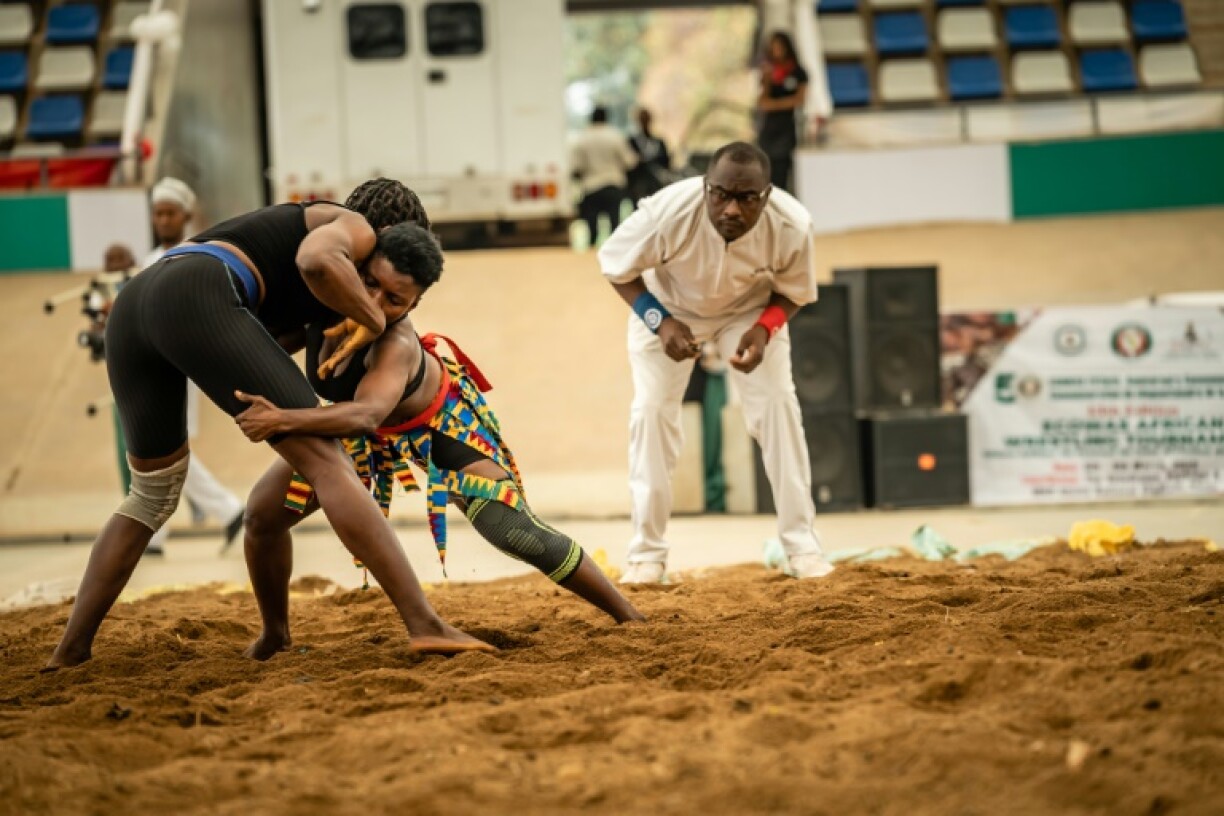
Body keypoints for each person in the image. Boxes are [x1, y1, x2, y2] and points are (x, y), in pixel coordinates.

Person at [45, 179, 493, 669]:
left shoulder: (307, 268)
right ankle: (424, 623)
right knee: (328, 463)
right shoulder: (354, 228)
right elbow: (315, 260)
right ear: (384, 232)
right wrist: (376, 320)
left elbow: (264, 345)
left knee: (151, 493)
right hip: (197, 290)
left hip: (136, 306)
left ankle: (71, 650)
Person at [232, 222, 643, 658]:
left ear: (415, 303)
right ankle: (275, 635)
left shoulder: (396, 343)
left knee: (513, 530)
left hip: (440, 428)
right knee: (262, 515)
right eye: (369, 284)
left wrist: (281, 419)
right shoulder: (324, 303)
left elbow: (367, 414)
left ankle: (630, 617)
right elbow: (267, 337)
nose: (374, 303)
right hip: (359, 431)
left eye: (394, 300)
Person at [597, 141, 834, 584]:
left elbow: (796, 291)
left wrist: (765, 329)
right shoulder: (667, 212)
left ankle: (803, 548)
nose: (731, 209)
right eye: (720, 194)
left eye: (746, 198)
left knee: (778, 406)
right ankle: (647, 556)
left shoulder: (792, 224)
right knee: (651, 413)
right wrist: (659, 321)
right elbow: (614, 263)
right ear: (705, 186)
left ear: (767, 196)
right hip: (666, 307)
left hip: (747, 312)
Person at [143, 177, 245, 553]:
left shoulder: (197, 256)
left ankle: (227, 509)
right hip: (151, 365)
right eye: (158, 214)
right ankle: (158, 533)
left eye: (170, 213)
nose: (164, 220)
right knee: (158, 449)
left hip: (179, 364)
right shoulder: (148, 262)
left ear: (185, 216)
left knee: (164, 449)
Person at [570, 106, 637, 245]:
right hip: (612, 185)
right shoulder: (615, 136)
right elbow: (630, 162)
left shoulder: (583, 138)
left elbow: (576, 168)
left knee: (592, 228)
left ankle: (591, 251)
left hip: (591, 188)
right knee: (614, 226)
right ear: (606, 118)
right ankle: (614, 252)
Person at [755, 31, 808, 193]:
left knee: (782, 172)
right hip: (769, 128)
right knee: (766, 170)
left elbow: (799, 100)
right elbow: (763, 102)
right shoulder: (768, 72)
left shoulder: (797, 72)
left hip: (786, 128)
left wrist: (776, 104)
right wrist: (767, 79)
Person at [627, 107, 672, 204]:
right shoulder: (633, 142)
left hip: (656, 185)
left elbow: (667, 162)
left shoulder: (658, 142)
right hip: (640, 186)